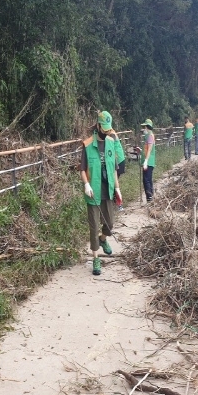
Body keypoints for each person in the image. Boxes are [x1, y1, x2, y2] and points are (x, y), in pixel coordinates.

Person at [80, 111, 122, 276]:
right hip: (93, 193)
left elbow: (113, 170)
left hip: (108, 191)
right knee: (94, 226)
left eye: (108, 130)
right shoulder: (88, 145)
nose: (106, 133)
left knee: (110, 224)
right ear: (97, 126)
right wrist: (86, 184)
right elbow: (82, 169)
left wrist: (117, 189)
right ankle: (96, 258)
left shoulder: (111, 142)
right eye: (104, 130)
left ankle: (103, 239)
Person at [140, 119, 156, 202]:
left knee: (146, 180)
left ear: (147, 127)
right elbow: (146, 149)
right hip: (148, 161)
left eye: (144, 127)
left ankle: (149, 198)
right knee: (148, 179)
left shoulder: (150, 136)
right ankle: (151, 198)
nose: (143, 129)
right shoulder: (148, 136)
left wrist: (146, 161)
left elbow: (149, 149)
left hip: (149, 162)